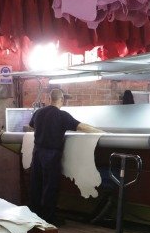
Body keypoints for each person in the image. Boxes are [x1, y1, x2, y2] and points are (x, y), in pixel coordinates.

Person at [29, 88, 103, 224]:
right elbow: (82, 127)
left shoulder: (38, 113)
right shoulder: (61, 115)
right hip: (51, 154)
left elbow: (31, 126)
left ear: (49, 98)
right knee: (50, 186)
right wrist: (102, 132)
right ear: (61, 100)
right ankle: (48, 219)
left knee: (36, 185)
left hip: (37, 152)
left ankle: (35, 217)